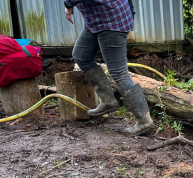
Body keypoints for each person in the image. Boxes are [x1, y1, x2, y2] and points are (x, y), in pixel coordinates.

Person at [64, 0, 154, 135]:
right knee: (81, 55)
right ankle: (108, 100)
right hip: (96, 20)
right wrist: (131, 12)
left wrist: (68, 5)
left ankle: (144, 121)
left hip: (111, 20)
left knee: (119, 72)